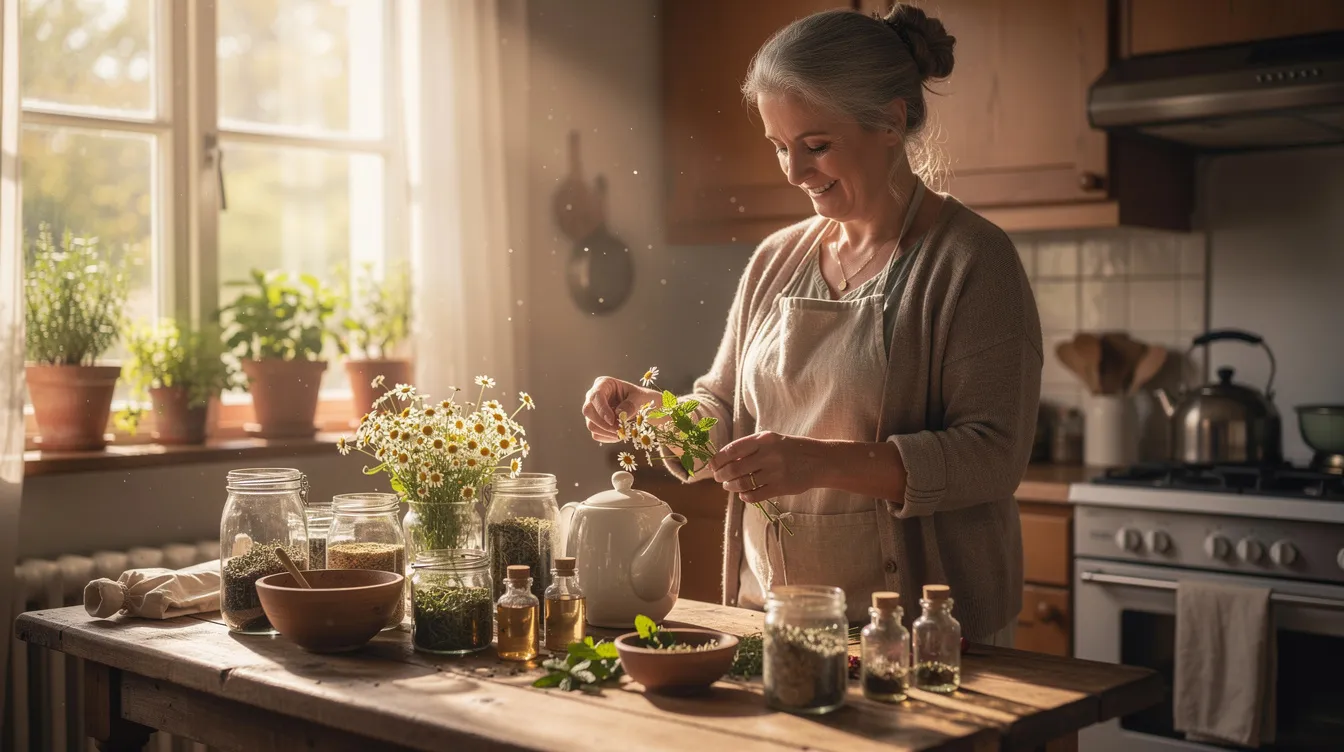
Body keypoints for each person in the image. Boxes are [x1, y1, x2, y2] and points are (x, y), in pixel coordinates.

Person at [582, 5, 1041, 643]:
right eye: (779, 148)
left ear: (891, 120)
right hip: (770, 616)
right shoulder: (777, 259)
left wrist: (816, 463)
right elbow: (719, 411)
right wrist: (651, 411)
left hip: (922, 635)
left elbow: (993, 457)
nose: (795, 173)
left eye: (816, 146)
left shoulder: (971, 260)